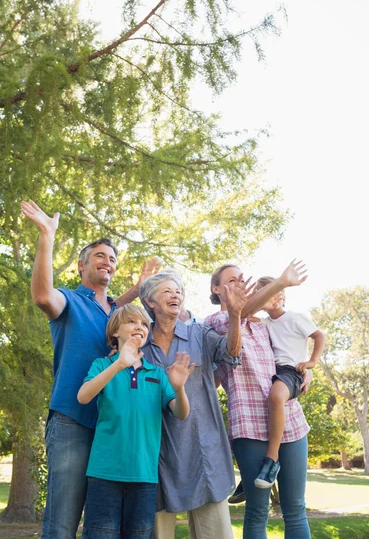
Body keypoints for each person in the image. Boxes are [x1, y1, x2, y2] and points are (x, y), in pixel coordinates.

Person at [20, 199, 160, 539]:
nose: (107, 262)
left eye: (112, 259)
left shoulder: (114, 312)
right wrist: (46, 236)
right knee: (63, 522)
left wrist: (141, 285)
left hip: (110, 427)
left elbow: (116, 310)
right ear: (82, 265)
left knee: (101, 526)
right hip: (72, 420)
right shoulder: (69, 300)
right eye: (100, 256)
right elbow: (42, 296)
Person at [138, 270, 251, 539]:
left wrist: (235, 315)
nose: (175, 295)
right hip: (155, 454)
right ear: (150, 302)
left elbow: (231, 353)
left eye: (178, 291)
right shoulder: (139, 342)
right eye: (167, 291)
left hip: (204, 452)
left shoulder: (199, 334)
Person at [204, 261, 312, 539]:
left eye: (242, 279)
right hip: (249, 425)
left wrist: (304, 373)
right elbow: (238, 315)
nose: (239, 284)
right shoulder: (213, 323)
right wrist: (280, 282)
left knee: (295, 508)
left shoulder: (264, 327)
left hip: (289, 420)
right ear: (216, 289)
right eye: (231, 280)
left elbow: (286, 360)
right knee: (257, 510)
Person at [77, 304, 194, 539]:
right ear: (115, 332)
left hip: (144, 477)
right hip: (104, 474)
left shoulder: (157, 373)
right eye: (132, 322)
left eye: (143, 323)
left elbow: (181, 413)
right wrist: (120, 364)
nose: (139, 326)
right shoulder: (102, 366)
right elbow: (83, 396)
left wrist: (179, 388)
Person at [254, 276, 325, 489]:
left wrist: (312, 362)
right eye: (266, 294)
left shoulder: (295, 317)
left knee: (276, 397)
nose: (273, 297)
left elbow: (319, 336)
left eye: (276, 291)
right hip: (272, 372)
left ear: (283, 294)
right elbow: (245, 315)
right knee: (267, 406)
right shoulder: (264, 324)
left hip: (292, 371)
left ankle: (272, 459)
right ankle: (252, 471)